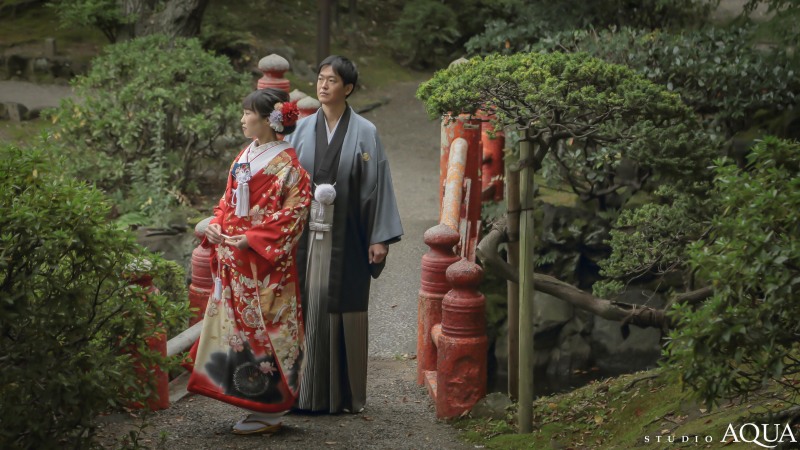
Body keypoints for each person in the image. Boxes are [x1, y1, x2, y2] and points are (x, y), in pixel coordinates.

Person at [186, 88, 312, 435]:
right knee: (239, 334)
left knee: (267, 332)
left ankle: (271, 408)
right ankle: (252, 401)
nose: (242, 119)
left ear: (270, 120)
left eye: (247, 113)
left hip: (264, 268)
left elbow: (294, 216)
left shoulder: (291, 168)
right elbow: (226, 203)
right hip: (235, 261)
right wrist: (215, 224)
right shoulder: (245, 155)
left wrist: (253, 239)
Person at [286, 55, 403, 414]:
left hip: (348, 236)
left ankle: (342, 395)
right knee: (305, 306)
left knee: (343, 307)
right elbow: (286, 183)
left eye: (332, 80)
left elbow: (377, 185)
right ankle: (301, 393)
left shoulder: (365, 132)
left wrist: (379, 237)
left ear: (348, 88)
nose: (323, 85)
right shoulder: (302, 130)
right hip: (305, 236)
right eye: (320, 79)